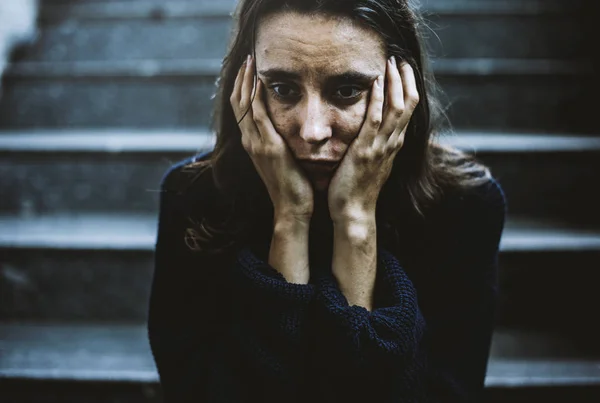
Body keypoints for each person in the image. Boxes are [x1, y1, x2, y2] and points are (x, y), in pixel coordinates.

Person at [147, 0, 507, 402]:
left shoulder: (464, 206)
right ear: (245, 86)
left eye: (347, 91)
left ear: (402, 91)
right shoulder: (194, 199)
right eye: (283, 89)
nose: (313, 130)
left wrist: (354, 222)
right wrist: (290, 219)